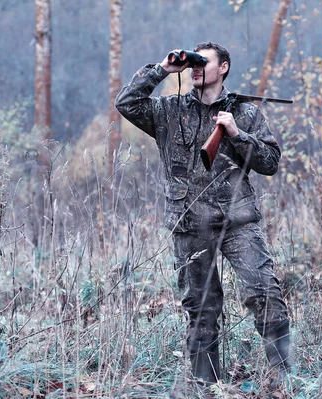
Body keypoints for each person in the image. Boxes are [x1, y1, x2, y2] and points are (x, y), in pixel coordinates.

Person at [115, 42, 290, 386]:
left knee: (264, 293)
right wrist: (163, 69)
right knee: (201, 310)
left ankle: (287, 380)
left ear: (223, 68)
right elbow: (126, 103)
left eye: (203, 62)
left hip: (238, 221)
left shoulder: (245, 113)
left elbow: (270, 163)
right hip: (189, 223)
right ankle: (205, 389)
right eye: (192, 63)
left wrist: (238, 135)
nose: (195, 68)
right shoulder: (167, 110)